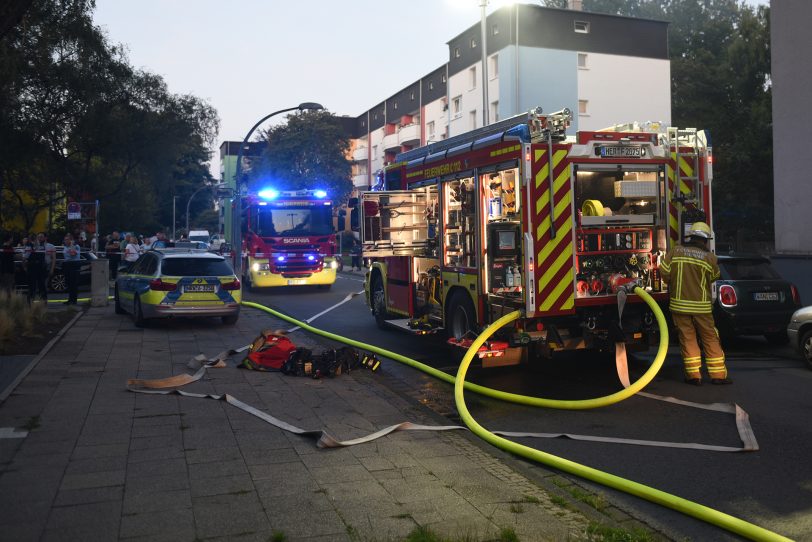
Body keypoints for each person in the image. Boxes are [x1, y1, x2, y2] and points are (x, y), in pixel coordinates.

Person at [660, 221, 731, 386]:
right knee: (710, 338)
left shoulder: (676, 252)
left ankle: (694, 376)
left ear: (690, 236)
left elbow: (664, 272)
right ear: (705, 240)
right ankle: (718, 375)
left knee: (688, 338)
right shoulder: (710, 258)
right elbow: (714, 277)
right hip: (702, 308)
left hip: (679, 306)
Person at [62, 234, 82, 305]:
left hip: (74, 264)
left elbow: (73, 254)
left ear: (71, 240)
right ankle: (70, 299)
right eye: (65, 239)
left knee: (73, 283)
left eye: (67, 239)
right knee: (69, 283)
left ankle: (74, 300)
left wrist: (72, 244)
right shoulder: (65, 247)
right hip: (67, 264)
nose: (66, 241)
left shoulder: (76, 246)